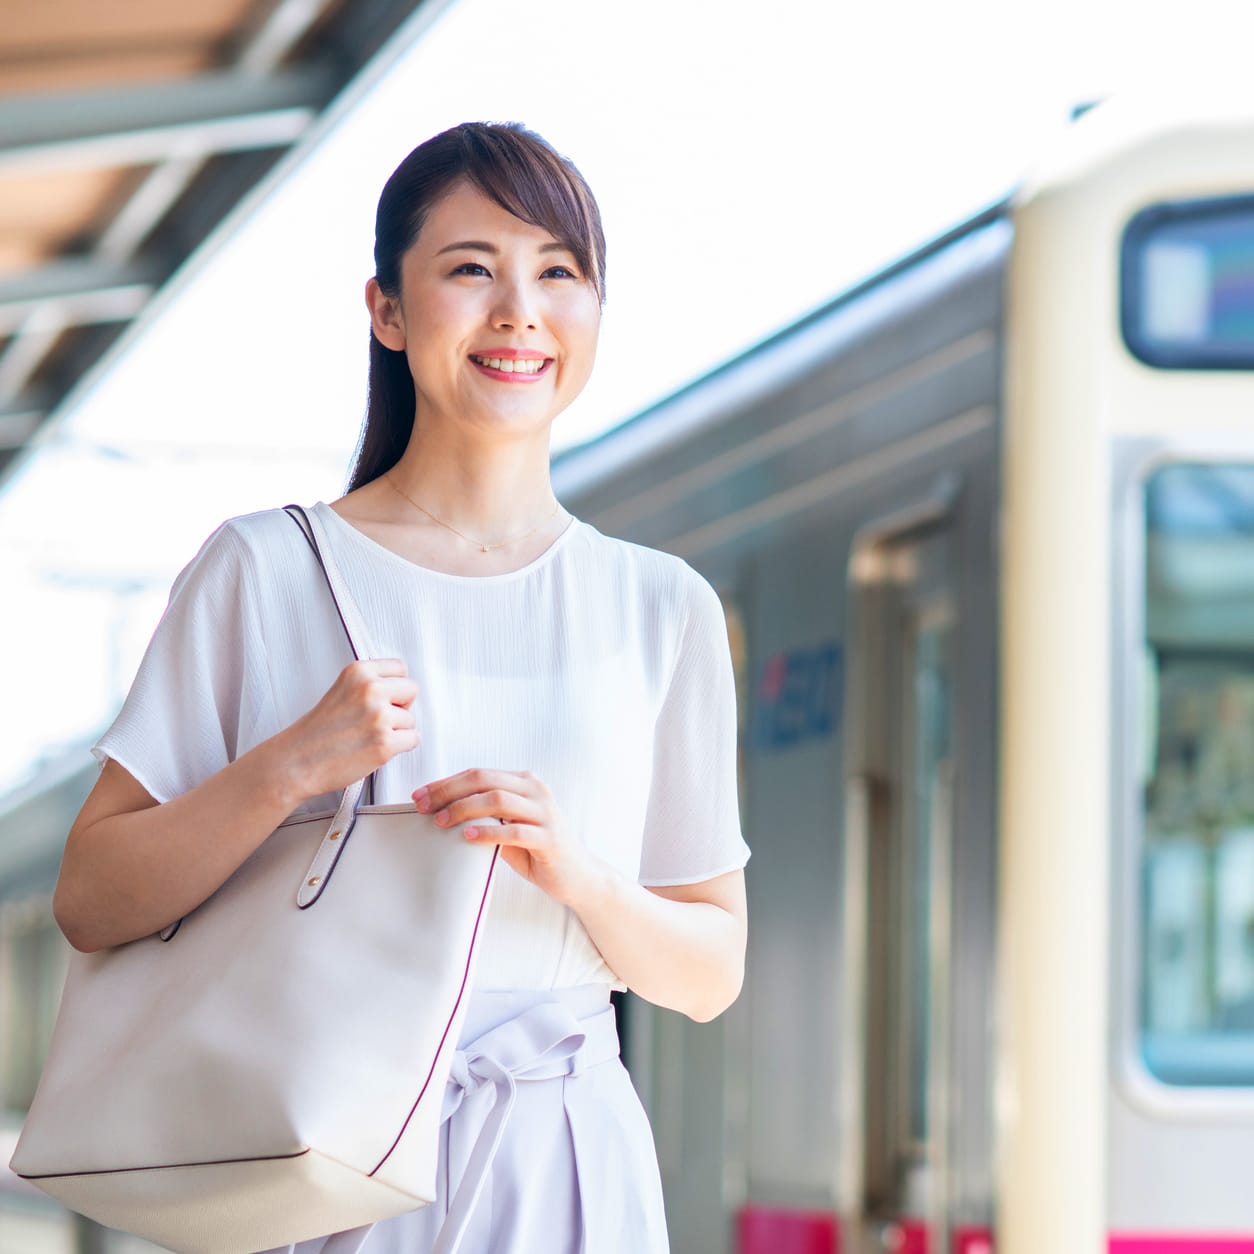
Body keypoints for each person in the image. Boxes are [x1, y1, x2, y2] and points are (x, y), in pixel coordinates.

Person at [52, 121, 750, 1254]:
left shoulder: (660, 606)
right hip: (331, 1153)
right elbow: (90, 898)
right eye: (472, 269)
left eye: (558, 271)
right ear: (386, 309)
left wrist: (576, 873)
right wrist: (290, 767)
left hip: (569, 1162)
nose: (519, 311)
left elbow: (711, 971)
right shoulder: (262, 569)